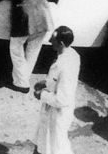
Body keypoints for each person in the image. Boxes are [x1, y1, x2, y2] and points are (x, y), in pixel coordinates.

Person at [33, 26, 80, 154]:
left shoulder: (65, 65)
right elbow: (58, 80)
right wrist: (46, 83)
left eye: (52, 39)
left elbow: (62, 99)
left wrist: (41, 94)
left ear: (62, 43)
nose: (49, 41)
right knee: (43, 145)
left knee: (56, 148)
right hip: (51, 112)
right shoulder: (72, 54)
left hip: (57, 115)